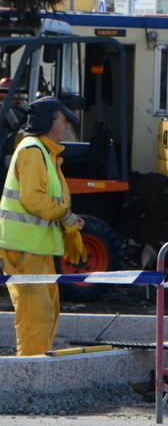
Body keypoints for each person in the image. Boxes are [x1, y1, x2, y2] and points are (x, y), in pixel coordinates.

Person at [0, 98, 88, 356]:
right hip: (24, 248)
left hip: (35, 248)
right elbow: (33, 198)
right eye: (63, 120)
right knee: (36, 313)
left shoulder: (43, 152)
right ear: (50, 121)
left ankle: (37, 361)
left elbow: (47, 198)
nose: (67, 125)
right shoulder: (32, 151)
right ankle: (31, 369)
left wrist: (68, 220)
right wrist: (65, 216)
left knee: (48, 309)